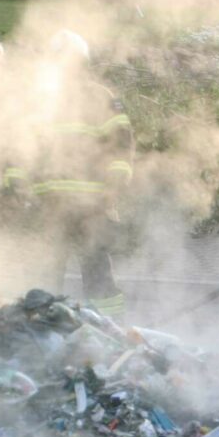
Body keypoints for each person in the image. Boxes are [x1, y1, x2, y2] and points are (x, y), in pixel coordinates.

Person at [29, 30, 134, 318]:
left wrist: (112, 189)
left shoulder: (101, 99)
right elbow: (33, 152)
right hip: (54, 208)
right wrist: (33, 194)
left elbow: (121, 147)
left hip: (93, 208)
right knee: (46, 277)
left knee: (98, 276)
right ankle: (45, 330)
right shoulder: (45, 101)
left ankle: (109, 327)